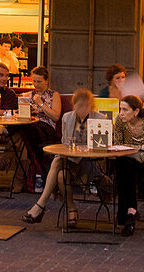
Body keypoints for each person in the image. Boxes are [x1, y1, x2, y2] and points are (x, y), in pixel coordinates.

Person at [22, 89, 109, 228]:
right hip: (70, 160)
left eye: (86, 106)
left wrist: (84, 148)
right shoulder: (68, 118)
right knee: (61, 174)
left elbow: (102, 147)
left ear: (91, 106)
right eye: (79, 106)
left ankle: (41, 205)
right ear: (74, 106)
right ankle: (71, 209)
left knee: (58, 164)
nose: (83, 109)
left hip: (90, 163)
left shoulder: (100, 119)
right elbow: (65, 143)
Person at [111, 95, 144, 236]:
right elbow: (117, 144)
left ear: (136, 111)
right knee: (124, 165)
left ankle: (124, 216)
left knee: (124, 166)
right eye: (120, 109)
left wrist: (131, 150)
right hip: (128, 162)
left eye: (125, 109)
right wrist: (139, 148)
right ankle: (130, 213)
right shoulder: (120, 121)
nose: (121, 112)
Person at [22, 66, 61, 176]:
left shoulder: (53, 95)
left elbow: (56, 116)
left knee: (31, 129)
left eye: (39, 81)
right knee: (28, 128)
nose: (36, 84)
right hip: (31, 128)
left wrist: (41, 104)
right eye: (34, 81)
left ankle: (39, 173)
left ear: (47, 81)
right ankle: (41, 172)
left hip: (47, 128)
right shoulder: (29, 95)